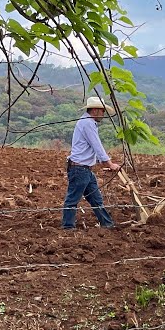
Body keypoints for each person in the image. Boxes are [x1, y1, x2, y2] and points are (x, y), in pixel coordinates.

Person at [63, 96, 121, 230]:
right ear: (95, 110)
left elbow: (92, 147)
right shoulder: (88, 123)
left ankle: (107, 224)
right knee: (72, 199)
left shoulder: (86, 122)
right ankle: (67, 227)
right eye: (102, 111)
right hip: (79, 169)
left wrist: (102, 162)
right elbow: (97, 145)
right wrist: (110, 164)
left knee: (96, 199)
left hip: (85, 169)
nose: (103, 114)